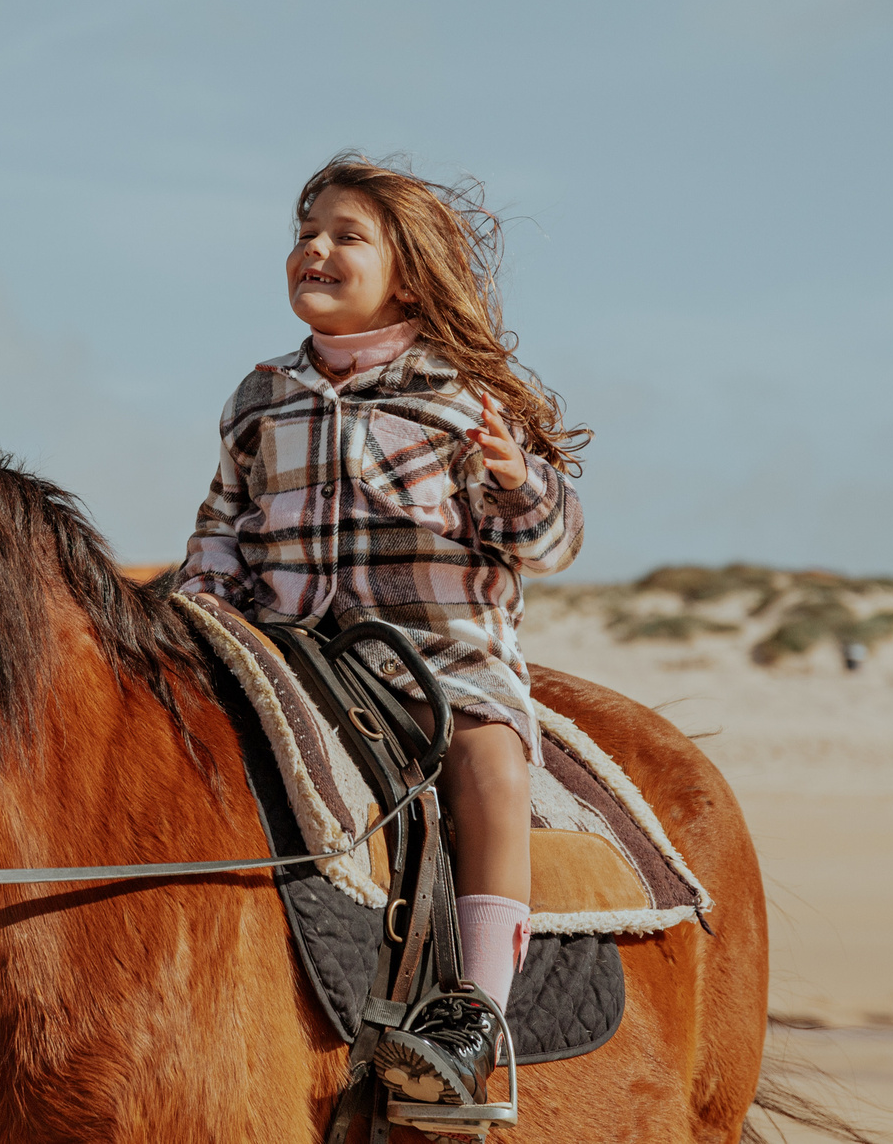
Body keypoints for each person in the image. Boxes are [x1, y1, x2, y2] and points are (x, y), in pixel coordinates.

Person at [175, 153, 586, 1111]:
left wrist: (518, 480)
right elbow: (220, 526)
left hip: (436, 661)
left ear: (407, 270)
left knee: (489, 756)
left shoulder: (460, 395)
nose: (314, 249)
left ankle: (472, 1011)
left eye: (344, 236)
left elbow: (554, 539)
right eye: (304, 233)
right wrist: (197, 606)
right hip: (285, 654)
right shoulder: (258, 396)